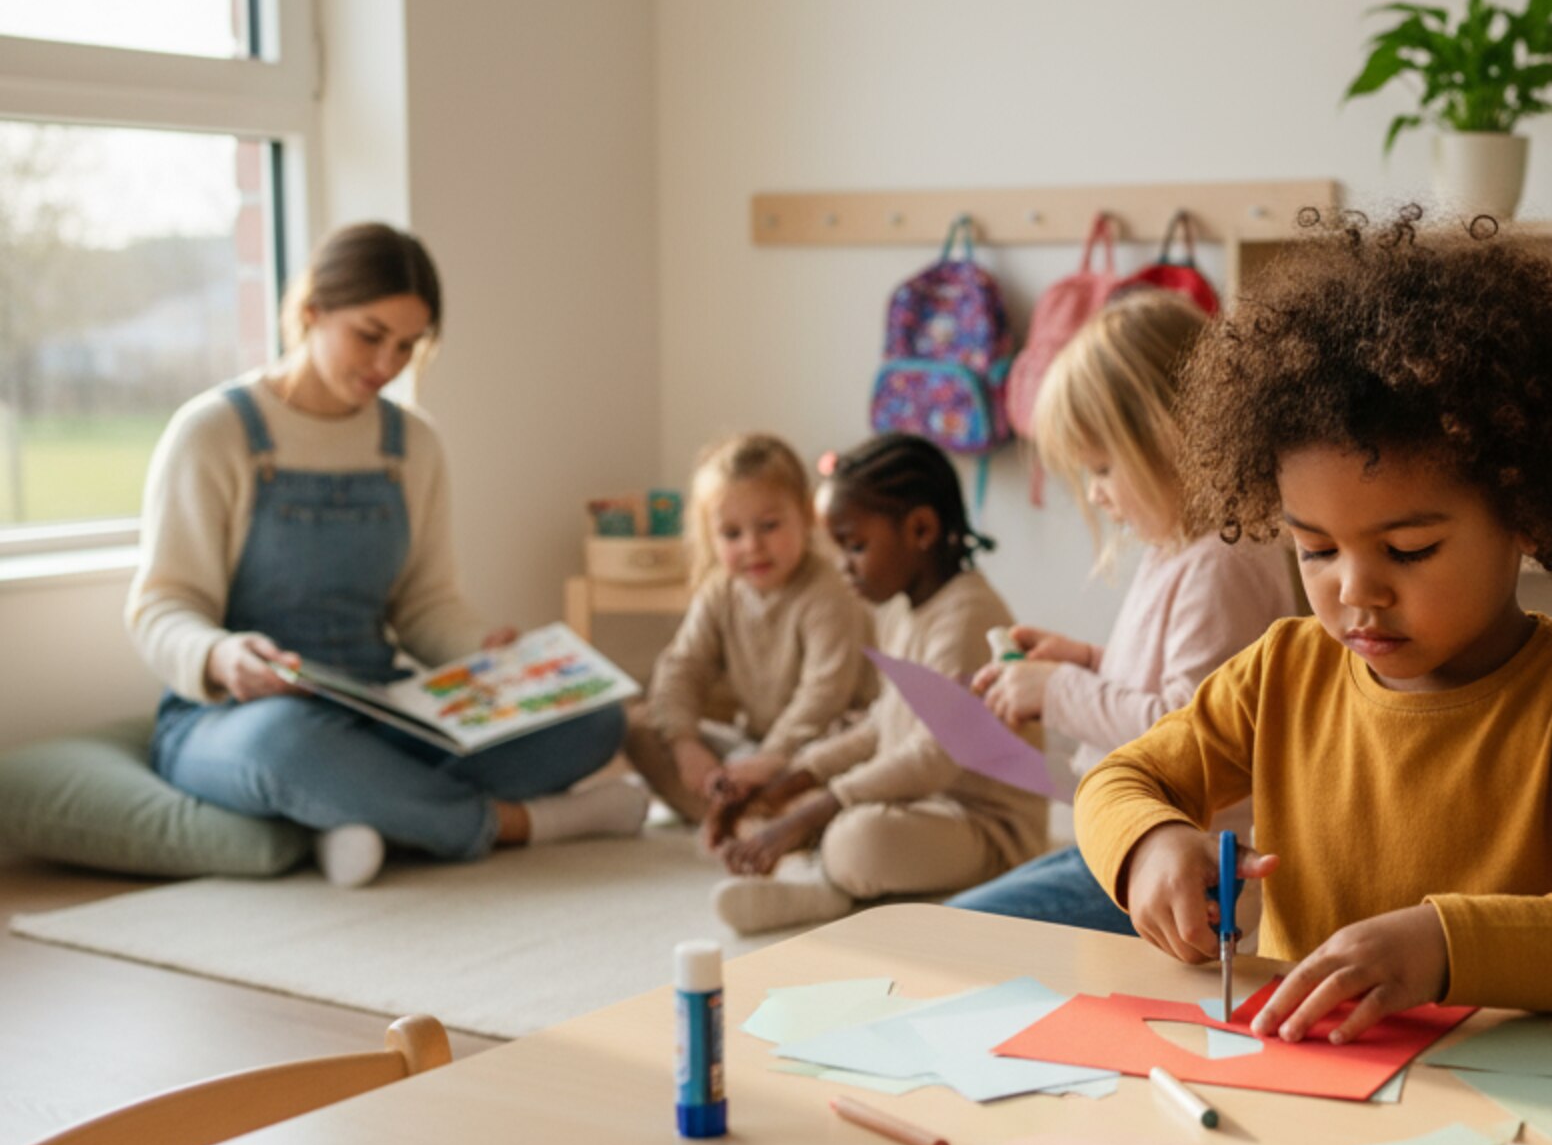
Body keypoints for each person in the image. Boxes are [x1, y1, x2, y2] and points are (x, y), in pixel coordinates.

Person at [1074, 207, 1552, 1039]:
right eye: (1316, 550)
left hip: (1515, 1095)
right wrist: (1148, 845)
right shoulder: (1282, 672)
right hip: (1314, 1080)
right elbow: (1117, 782)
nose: (1357, 591)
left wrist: (1443, 946)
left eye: (1409, 549)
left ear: (1526, 516)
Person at [128, 222, 643, 889]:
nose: (386, 364)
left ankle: (352, 816)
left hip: (383, 706)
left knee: (594, 721)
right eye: (369, 336)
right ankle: (526, 823)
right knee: (285, 746)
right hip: (235, 718)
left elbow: (425, 605)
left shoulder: (413, 445)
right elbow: (162, 607)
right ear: (312, 312)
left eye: (407, 345)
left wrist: (487, 654)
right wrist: (221, 657)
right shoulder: (213, 433)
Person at [950, 294, 1297, 933]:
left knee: (956, 930)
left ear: (1171, 436)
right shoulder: (1181, 550)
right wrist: (1086, 661)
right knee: (954, 921)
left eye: (1103, 468)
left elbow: (1189, 729)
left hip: (1181, 862)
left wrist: (1059, 690)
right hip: (1125, 832)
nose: (1096, 494)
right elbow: (1175, 681)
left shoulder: (1223, 563)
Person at [711, 432, 1048, 933]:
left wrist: (815, 811)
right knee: (813, 810)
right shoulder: (901, 609)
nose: (843, 566)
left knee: (856, 837)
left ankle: (826, 887)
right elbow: (881, 724)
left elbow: (932, 757)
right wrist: (791, 781)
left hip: (987, 829)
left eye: (855, 546)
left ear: (920, 529)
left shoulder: (967, 617)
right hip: (921, 803)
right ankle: (828, 878)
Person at [624, 433, 874, 835]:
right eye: (732, 534)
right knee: (638, 726)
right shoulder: (721, 591)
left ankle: (761, 815)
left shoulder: (829, 592)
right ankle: (749, 814)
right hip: (753, 743)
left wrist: (771, 759)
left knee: (842, 772)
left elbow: (823, 696)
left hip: (817, 744)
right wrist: (686, 745)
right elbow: (683, 666)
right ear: (711, 536)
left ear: (806, 516)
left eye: (769, 526)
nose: (753, 546)